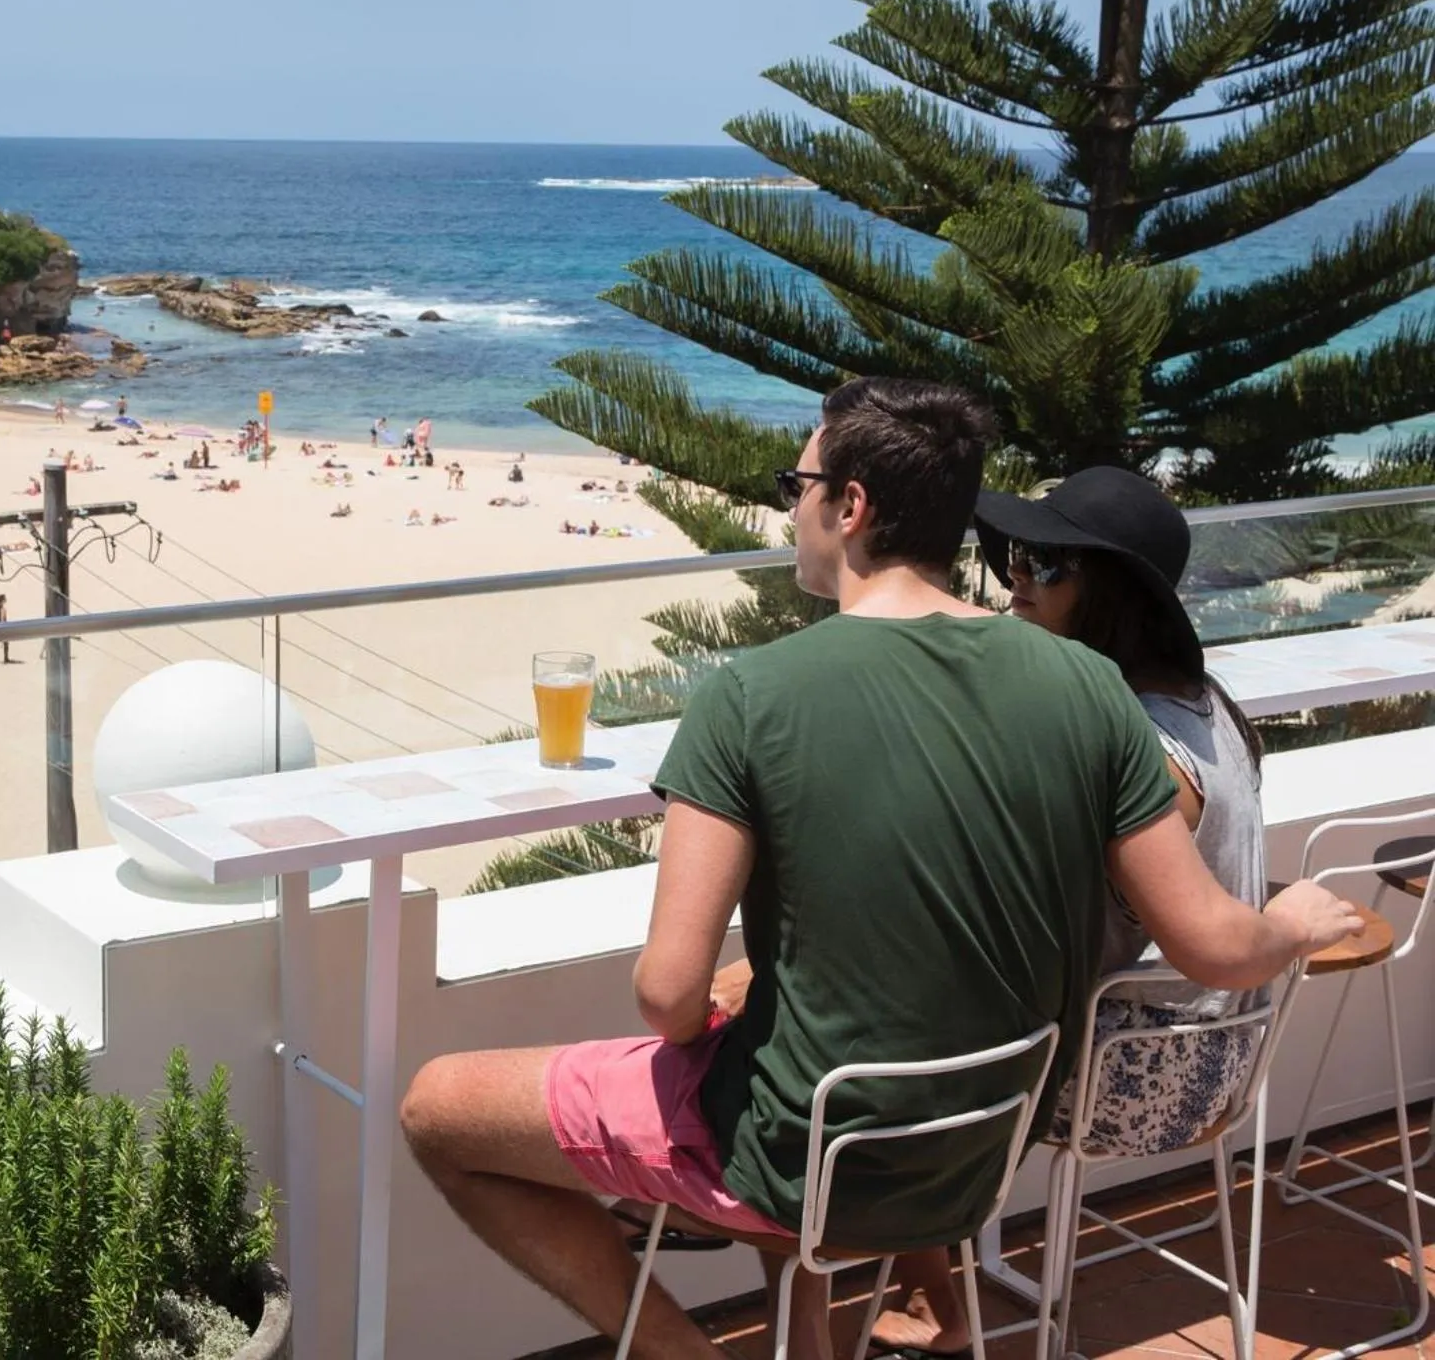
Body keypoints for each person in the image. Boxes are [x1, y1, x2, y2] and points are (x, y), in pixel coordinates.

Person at [397, 378, 1362, 1360]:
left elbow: (664, 995)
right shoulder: (1087, 687)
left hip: (803, 1168)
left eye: (795, 482)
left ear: (848, 506)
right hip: (978, 1157)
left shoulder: (750, 696)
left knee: (436, 1107)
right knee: (781, 1047)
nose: (787, 507)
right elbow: (1213, 946)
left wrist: (701, 1027)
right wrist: (1296, 921)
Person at [869, 467, 1273, 1358]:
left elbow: (1021, 917)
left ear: (1114, 597)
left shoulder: (1132, 747)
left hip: (1129, 1078)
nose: (1017, 575)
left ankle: (937, 1308)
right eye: (1018, 553)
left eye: (1048, 564)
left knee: (872, 1056)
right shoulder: (1209, 707)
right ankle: (935, 1289)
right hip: (1221, 1056)